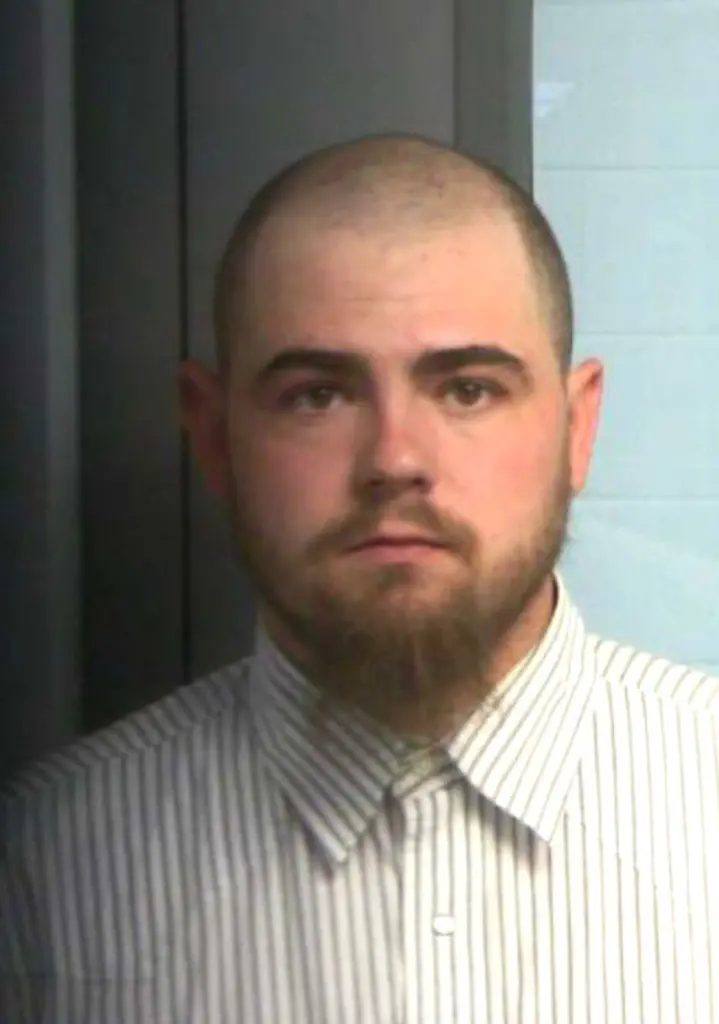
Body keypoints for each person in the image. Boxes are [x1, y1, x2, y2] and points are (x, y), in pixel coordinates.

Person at [1, 133, 717, 1024]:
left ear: (577, 429)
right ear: (214, 436)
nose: (393, 460)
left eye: (466, 389)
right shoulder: (42, 875)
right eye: (318, 394)